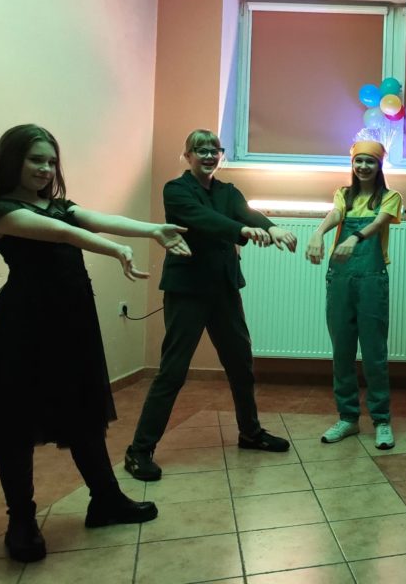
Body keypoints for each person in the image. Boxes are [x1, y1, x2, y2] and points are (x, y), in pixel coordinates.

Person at [0, 124, 188, 563]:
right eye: (36, 159)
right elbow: (63, 234)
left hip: (71, 321)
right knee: (16, 422)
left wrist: (152, 230)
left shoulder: (58, 205)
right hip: (25, 324)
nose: (46, 168)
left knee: (83, 411)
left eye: (51, 161)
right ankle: (22, 522)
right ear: (13, 161)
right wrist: (116, 250)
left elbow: (97, 219)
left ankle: (105, 499)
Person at [125, 129, 297, 481]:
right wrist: (242, 231)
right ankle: (139, 450)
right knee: (173, 372)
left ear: (221, 155)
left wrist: (272, 228)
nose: (208, 156)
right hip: (187, 291)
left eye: (214, 150)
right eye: (200, 150)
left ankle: (250, 433)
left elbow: (245, 212)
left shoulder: (227, 191)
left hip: (224, 290)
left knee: (240, 364)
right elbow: (204, 220)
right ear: (187, 155)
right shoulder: (176, 190)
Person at [306, 141, 402, 450]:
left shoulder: (390, 197)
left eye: (369, 161)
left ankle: (382, 420)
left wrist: (354, 238)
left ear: (379, 165)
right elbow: (336, 214)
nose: (363, 166)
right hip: (340, 279)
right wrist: (318, 233)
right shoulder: (343, 194)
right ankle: (348, 418)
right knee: (342, 352)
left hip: (372, 280)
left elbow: (379, 222)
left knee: (374, 354)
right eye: (358, 161)